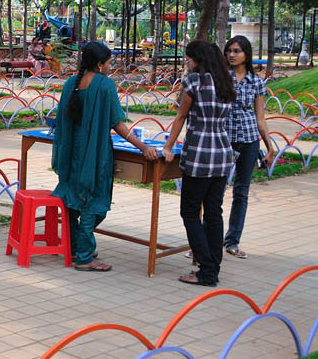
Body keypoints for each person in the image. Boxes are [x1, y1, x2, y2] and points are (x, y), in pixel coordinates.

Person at [51, 41, 158, 272]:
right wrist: (143, 146)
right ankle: (84, 257)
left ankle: (75, 247)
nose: (111, 67)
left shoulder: (71, 83)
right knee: (93, 203)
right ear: (99, 65)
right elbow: (118, 125)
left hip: (70, 153)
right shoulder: (105, 86)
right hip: (94, 153)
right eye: (109, 63)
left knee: (71, 200)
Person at [161, 41, 236, 286]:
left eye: (189, 59)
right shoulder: (227, 81)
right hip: (223, 153)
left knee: (190, 212)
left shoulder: (194, 82)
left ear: (198, 59)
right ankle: (213, 266)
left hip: (199, 154)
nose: (187, 63)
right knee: (214, 211)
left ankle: (206, 269)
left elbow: (181, 116)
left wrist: (168, 147)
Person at [221, 35, 277, 258]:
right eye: (229, 51)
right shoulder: (220, 78)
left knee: (241, 192)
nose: (232, 55)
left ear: (246, 54)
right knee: (213, 192)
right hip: (223, 139)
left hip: (249, 140)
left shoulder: (256, 82)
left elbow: (260, 118)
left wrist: (270, 147)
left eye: (236, 51)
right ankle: (203, 242)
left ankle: (232, 241)